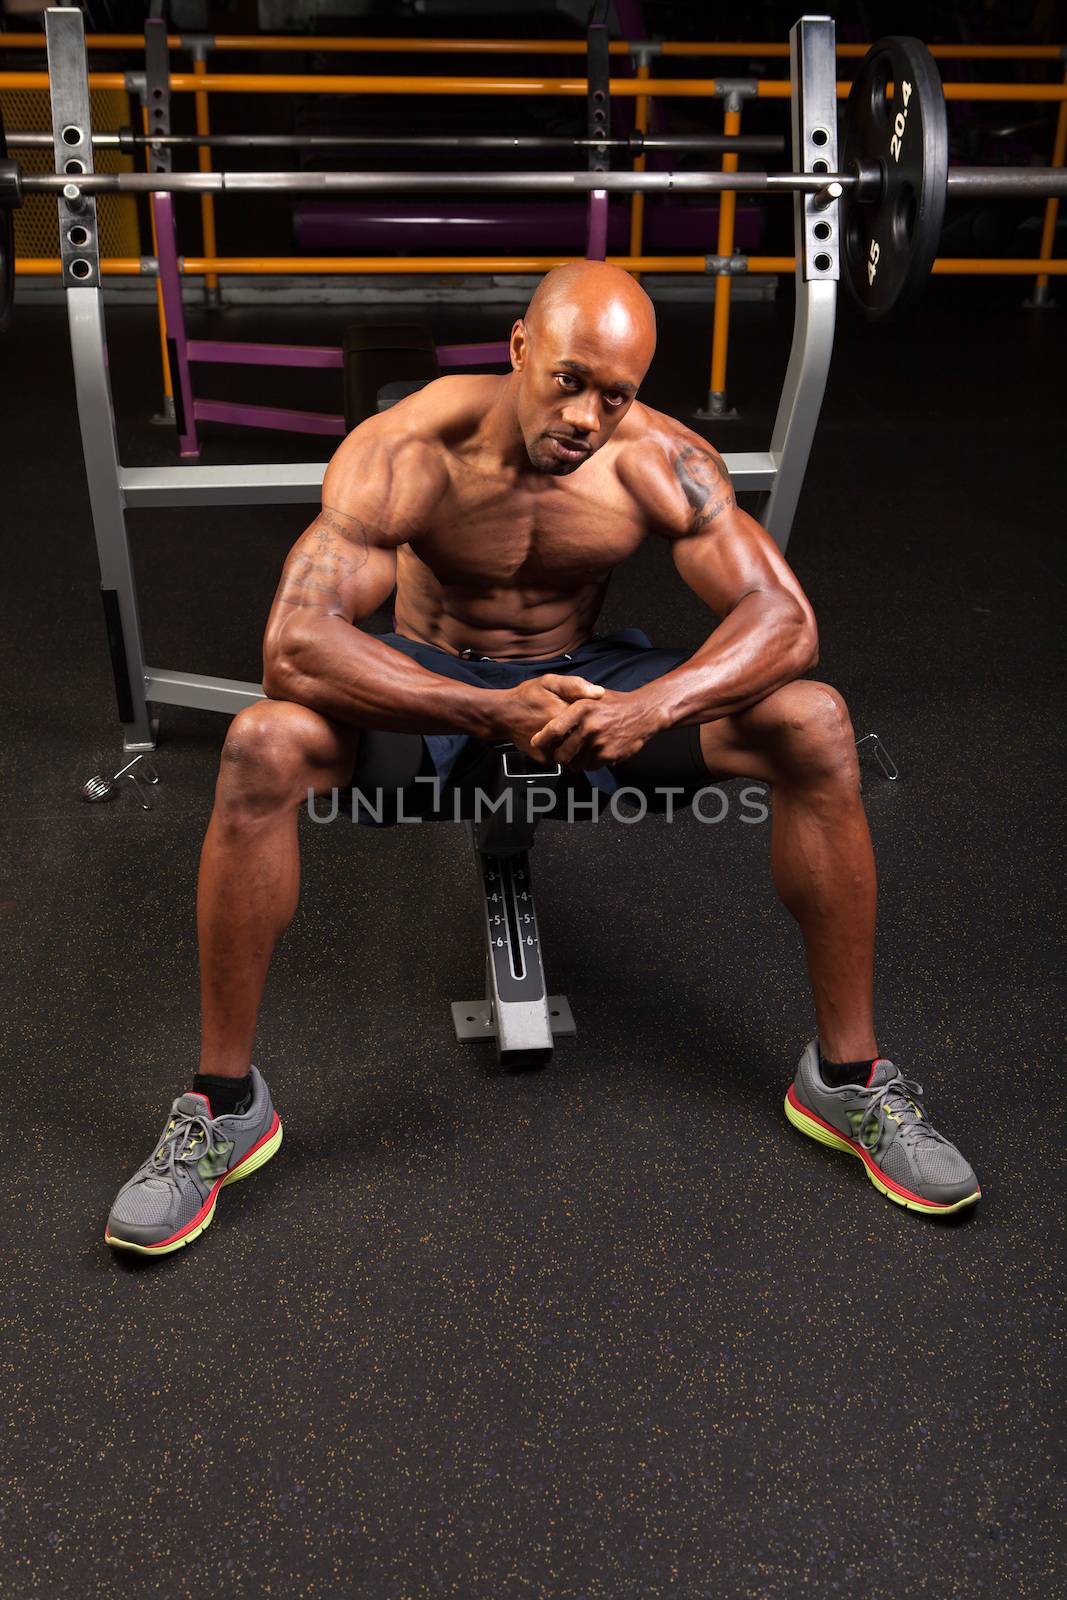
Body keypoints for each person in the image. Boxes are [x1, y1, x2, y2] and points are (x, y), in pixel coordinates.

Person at [105, 261, 980, 1255]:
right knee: (261, 740)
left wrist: (650, 705)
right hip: (439, 685)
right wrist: (484, 707)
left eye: (616, 393)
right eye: (569, 379)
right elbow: (294, 645)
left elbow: (785, 621)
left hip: (591, 688)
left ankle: (848, 1080)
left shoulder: (657, 459)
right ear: (518, 350)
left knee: (813, 721)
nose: (587, 416)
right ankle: (222, 1104)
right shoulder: (410, 449)